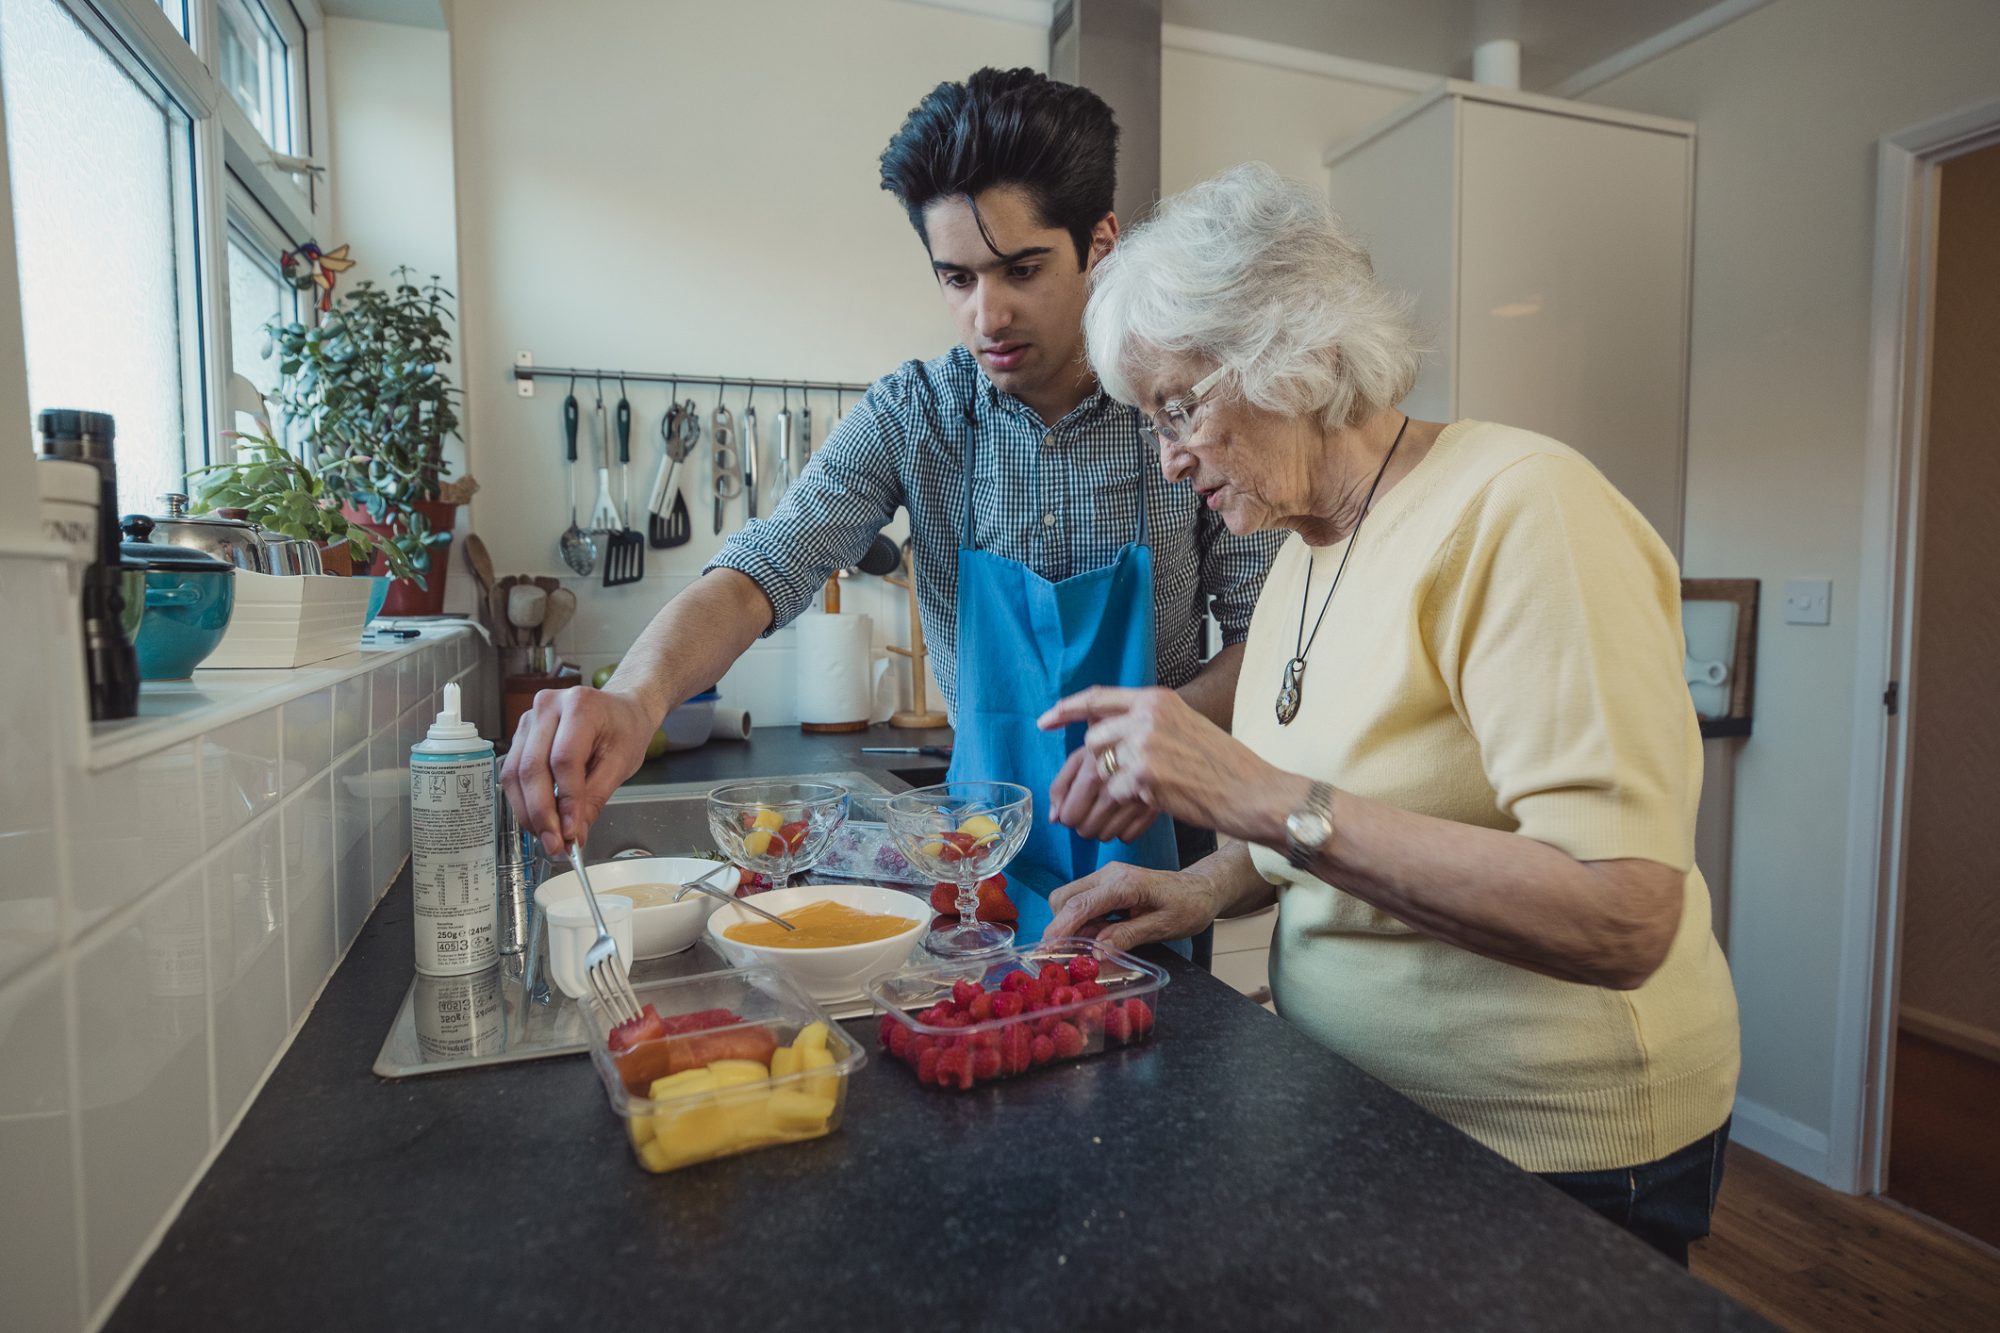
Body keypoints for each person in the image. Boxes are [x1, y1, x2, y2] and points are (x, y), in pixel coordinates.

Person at [1039, 163, 1740, 1263]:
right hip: (1367, 1107)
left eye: (1178, 408)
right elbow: (1338, 818)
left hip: (1550, 1148)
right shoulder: (1304, 551)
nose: (1168, 458)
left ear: (1301, 356)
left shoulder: (1519, 509)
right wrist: (1195, 884)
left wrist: (1253, 797)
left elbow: (1623, 915)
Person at [500, 70, 1281, 911]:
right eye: (957, 278)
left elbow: (1265, 640)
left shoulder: (1189, 411)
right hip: (976, 864)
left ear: (1101, 243)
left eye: (1021, 270)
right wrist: (635, 697)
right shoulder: (916, 414)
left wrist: (1152, 739)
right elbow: (763, 572)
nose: (988, 315)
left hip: (1159, 858)